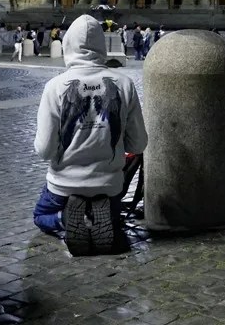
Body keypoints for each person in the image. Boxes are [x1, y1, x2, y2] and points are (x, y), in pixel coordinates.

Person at [32, 14, 147, 255]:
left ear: (68, 45)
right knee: (110, 209)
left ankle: (68, 218)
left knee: (41, 216)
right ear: (102, 46)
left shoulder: (56, 86)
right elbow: (138, 144)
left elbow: (44, 150)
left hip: (64, 184)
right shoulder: (123, 84)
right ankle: (101, 215)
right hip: (109, 185)